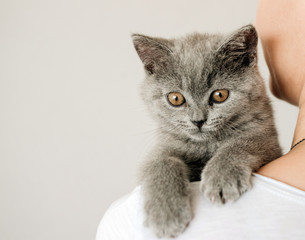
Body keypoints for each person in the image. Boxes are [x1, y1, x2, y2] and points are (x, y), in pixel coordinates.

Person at [96, 0, 305, 239]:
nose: (197, 118)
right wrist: (163, 170)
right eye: (177, 99)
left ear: (247, 59)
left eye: (219, 96)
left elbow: (263, 144)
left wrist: (236, 153)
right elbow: (162, 158)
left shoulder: (124, 221)